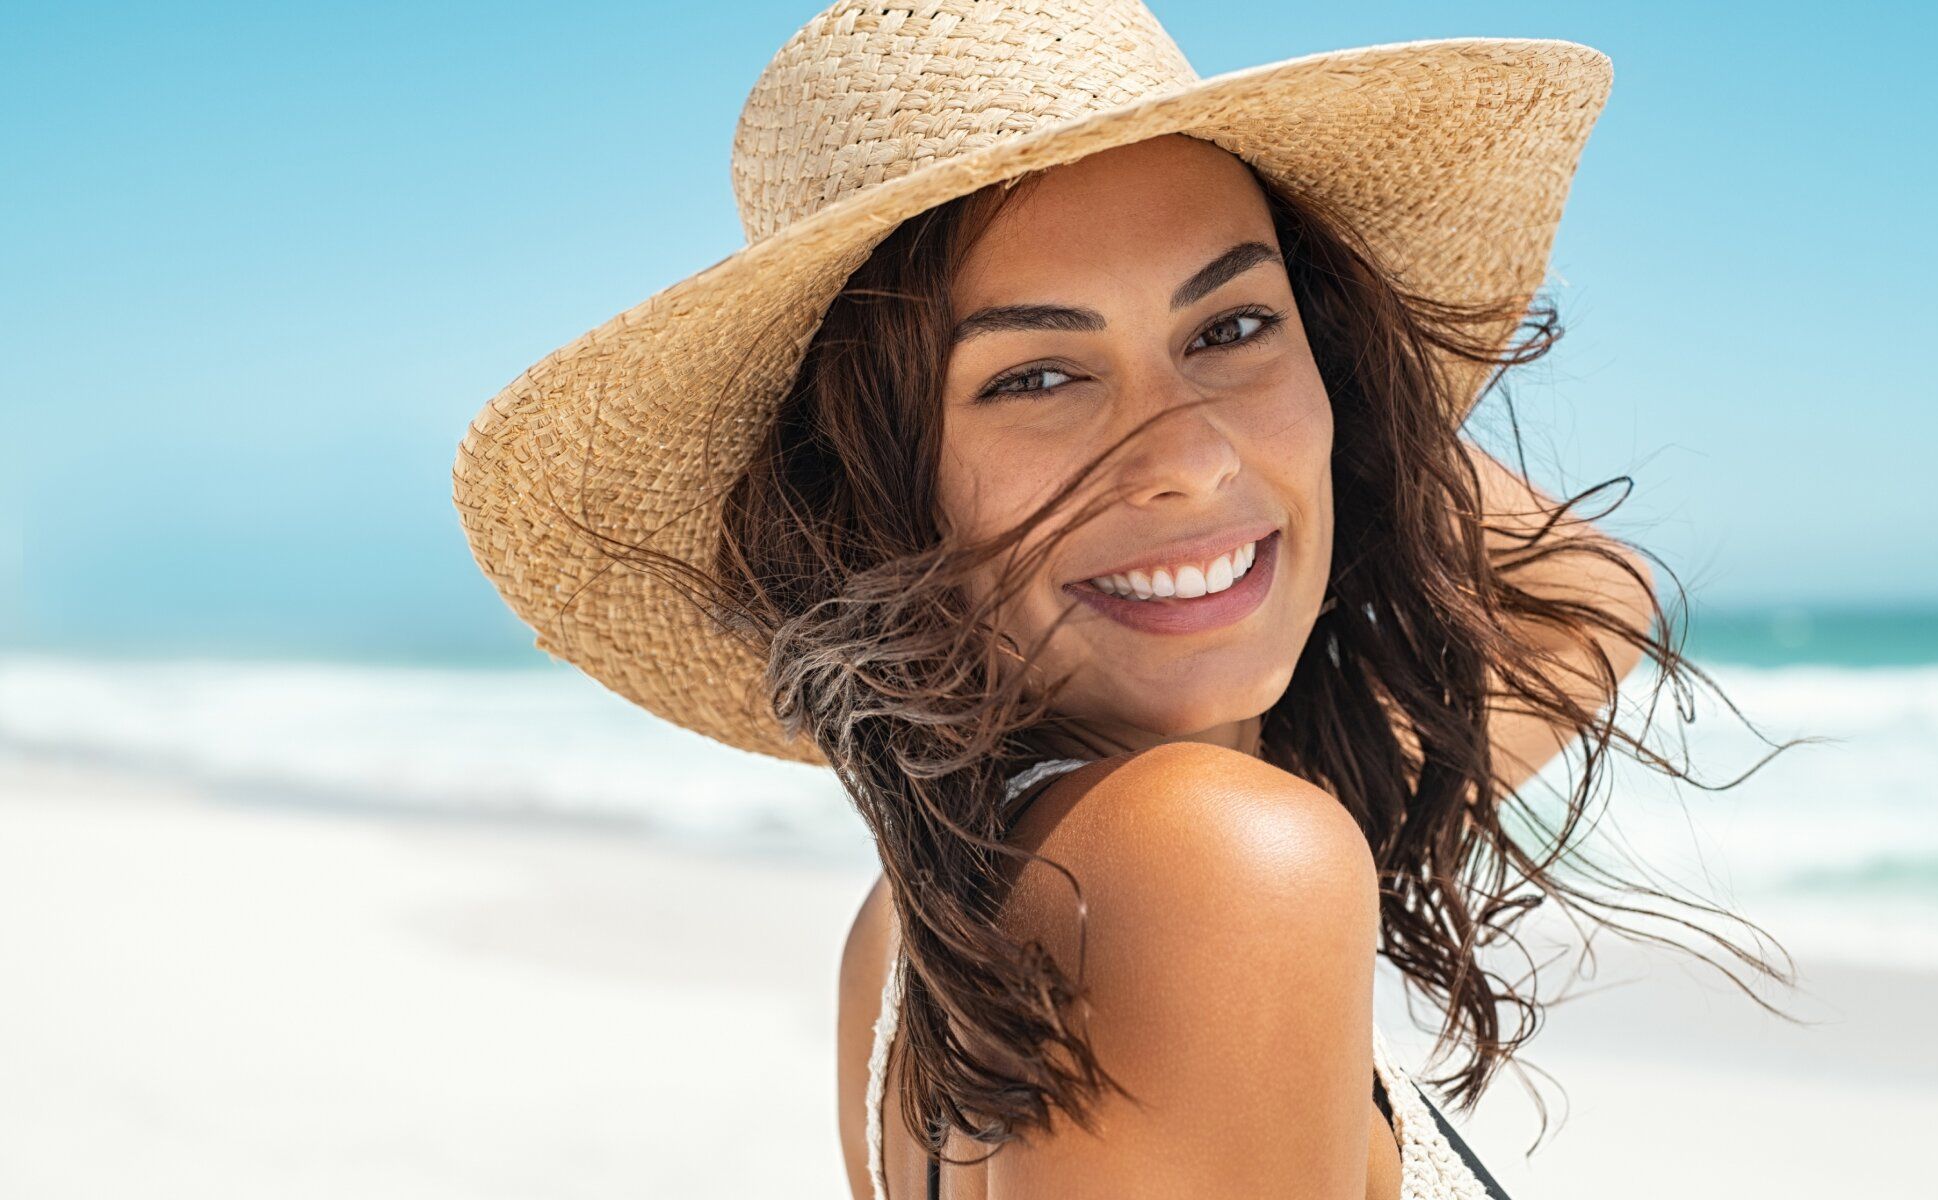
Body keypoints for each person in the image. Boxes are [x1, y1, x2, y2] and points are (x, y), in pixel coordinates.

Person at [452, 3, 1807, 1196]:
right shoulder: (1208, 863)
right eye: (1037, 377)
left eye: (1230, 328)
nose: (1189, 461)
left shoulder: (933, 922)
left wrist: (1345, 418)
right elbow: (1584, 594)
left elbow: (1580, 602)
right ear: (875, 492)